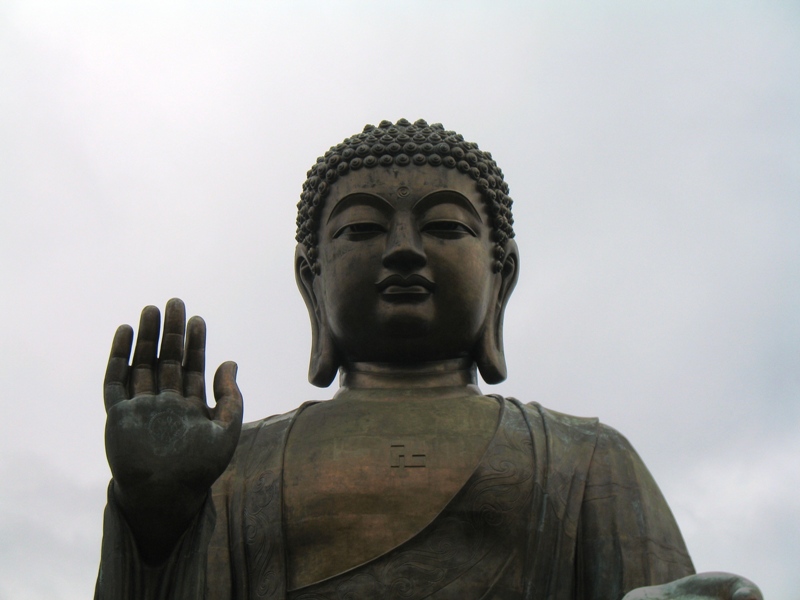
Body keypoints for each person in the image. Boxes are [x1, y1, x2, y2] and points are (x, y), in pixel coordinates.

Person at [96, 119, 761, 599]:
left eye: (445, 226)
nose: (406, 249)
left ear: (500, 276)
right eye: (362, 229)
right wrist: (157, 524)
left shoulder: (586, 459)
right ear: (312, 279)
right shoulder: (236, 465)